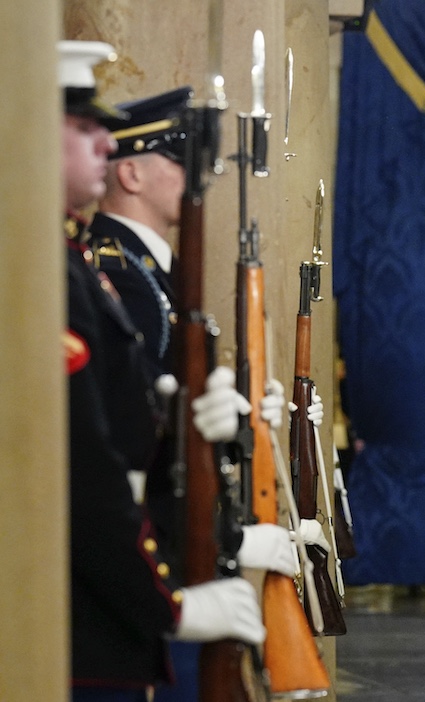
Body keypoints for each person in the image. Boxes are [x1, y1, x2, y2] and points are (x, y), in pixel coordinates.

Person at [91, 86, 322, 701]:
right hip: (148, 559)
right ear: (131, 173)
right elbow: (135, 446)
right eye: (177, 159)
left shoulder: (147, 271)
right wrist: (229, 540)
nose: (202, 174)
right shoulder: (123, 276)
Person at [59, 41, 264, 702]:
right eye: (84, 128)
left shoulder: (86, 268)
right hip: (102, 594)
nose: (103, 144)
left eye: (105, 129)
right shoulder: (89, 273)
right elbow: (89, 465)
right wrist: (170, 598)